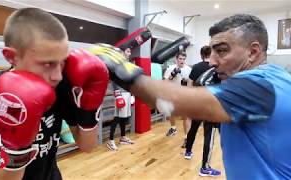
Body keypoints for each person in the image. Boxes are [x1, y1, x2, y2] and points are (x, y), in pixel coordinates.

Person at [90, 14, 291, 179]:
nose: (212, 61)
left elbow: (175, 102)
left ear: (253, 52)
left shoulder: (259, 86)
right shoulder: (276, 79)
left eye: (221, 51)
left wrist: (119, 67)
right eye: (211, 51)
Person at [0, 8, 109, 180]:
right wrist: (15, 146)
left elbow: (88, 146)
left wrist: (89, 108)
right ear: (11, 57)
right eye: (48, 64)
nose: (57, 75)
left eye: (62, 62)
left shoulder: (61, 85)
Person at [183, 45, 221, 177]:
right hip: (210, 105)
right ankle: (205, 167)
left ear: (201, 54)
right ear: (210, 54)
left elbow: (190, 84)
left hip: (197, 102)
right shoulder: (215, 68)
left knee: (193, 127)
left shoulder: (196, 67)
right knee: (209, 135)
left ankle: (188, 151)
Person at [107, 47, 135, 151]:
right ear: (122, 53)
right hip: (121, 94)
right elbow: (114, 80)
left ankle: (123, 137)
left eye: (130, 51)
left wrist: (132, 94)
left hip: (127, 93)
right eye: (128, 51)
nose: (129, 53)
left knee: (124, 117)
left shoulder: (127, 65)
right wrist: (117, 95)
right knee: (117, 117)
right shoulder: (117, 65)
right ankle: (110, 141)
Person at [163, 51, 191, 137]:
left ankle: (186, 137)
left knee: (186, 116)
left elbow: (192, 82)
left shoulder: (188, 69)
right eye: (180, 59)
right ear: (176, 59)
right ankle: (173, 128)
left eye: (183, 59)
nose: (181, 61)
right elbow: (164, 82)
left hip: (184, 95)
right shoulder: (170, 68)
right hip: (173, 94)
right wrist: (172, 75)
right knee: (172, 113)